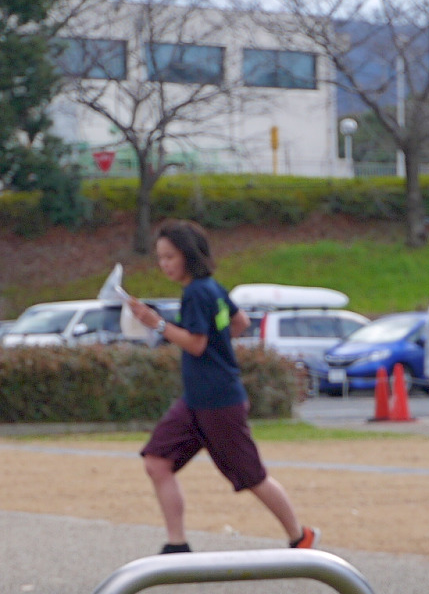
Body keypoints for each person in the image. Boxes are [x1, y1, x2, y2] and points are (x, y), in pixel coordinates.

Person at [122, 219, 319, 555]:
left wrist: (157, 323)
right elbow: (239, 322)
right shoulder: (212, 288)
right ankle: (176, 544)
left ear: (188, 255)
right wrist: (217, 344)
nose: (164, 264)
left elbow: (196, 344)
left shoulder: (197, 293)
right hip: (196, 400)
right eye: (160, 257)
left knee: (252, 477)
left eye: (170, 256)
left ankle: (300, 535)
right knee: (157, 461)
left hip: (218, 402)